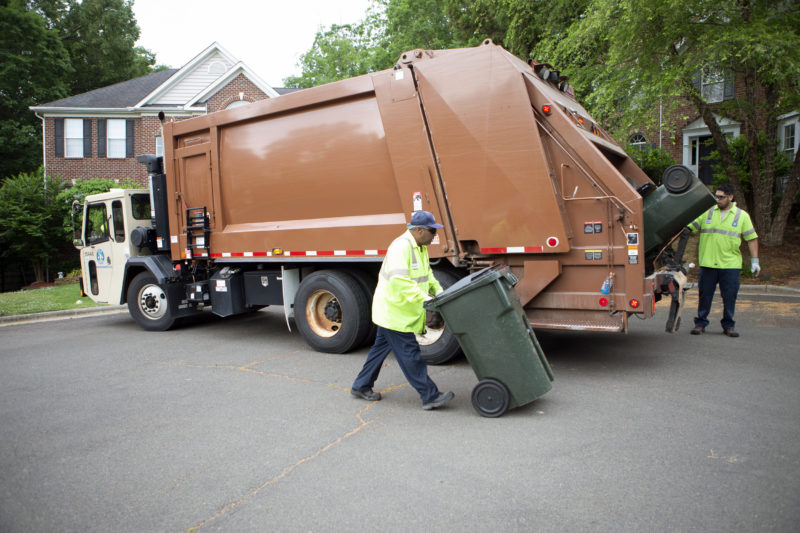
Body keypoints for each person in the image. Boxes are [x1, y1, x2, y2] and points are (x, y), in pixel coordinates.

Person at [351, 210, 455, 410]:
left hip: (396, 311)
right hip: (395, 313)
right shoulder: (401, 246)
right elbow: (400, 281)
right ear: (418, 230)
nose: (435, 236)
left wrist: (439, 291)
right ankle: (430, 396)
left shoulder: (420, 248)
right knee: (410, 354)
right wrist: (426, 299)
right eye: (432, 231)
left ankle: (361, 385)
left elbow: (428, 276)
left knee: (379, 350)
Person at [688, 183, 759, 337]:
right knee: (704, 295)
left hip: (730, 264)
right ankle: (700, 323)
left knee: (729, 296)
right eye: (716, 196)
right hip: (708, 262)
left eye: (721, 197)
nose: (717, 199)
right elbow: (689, 228)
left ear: (730, 197)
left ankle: (729, 325)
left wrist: (755, 261)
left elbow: (752, 239)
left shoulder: (741, 216)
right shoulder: (707, 212)